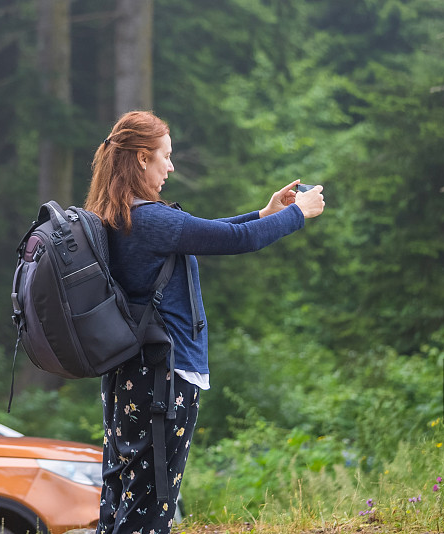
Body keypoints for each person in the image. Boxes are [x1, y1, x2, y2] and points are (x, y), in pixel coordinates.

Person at [84, 110, 325, 534]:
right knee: (151, 505)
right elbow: (232, 241)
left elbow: (206, 232)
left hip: (129, 375)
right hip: (164, 379)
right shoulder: (151, 219)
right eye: (166, 156)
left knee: (124, 495)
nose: (171, 167)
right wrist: (297, 214)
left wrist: (265, 213)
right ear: (142, 158)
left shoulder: (118, 214)